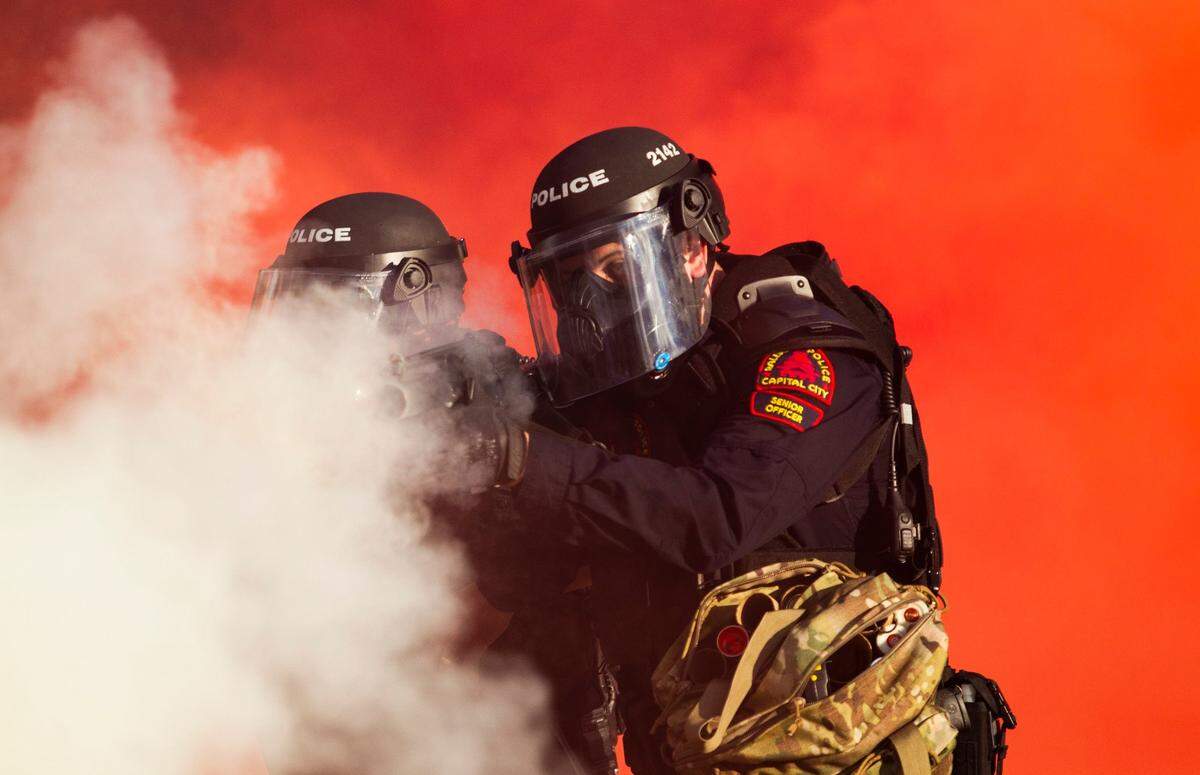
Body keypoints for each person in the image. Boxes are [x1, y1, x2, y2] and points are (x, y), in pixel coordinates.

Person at [458, 126, 949, 773]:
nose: (591, 305)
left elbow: (714, 517)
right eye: (570, 280)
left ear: (692, 246)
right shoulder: (615, 389)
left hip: (828, 742)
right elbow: (530, 575)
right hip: (689, 744)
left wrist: (521, 458)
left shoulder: (803, 351)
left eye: (614, 268)